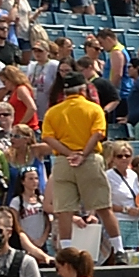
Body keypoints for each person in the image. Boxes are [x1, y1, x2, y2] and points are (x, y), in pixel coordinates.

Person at [41, 77, 108, 252]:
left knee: (64, 210)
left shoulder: (53, 111)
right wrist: (82, 154)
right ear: (83, 90)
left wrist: (69, 153)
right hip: (89, 157)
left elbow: (47, 137)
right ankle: (120, 249)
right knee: (103, 207)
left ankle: (66, 250)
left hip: (63, 160)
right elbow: (98, 134)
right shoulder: (94, 108)